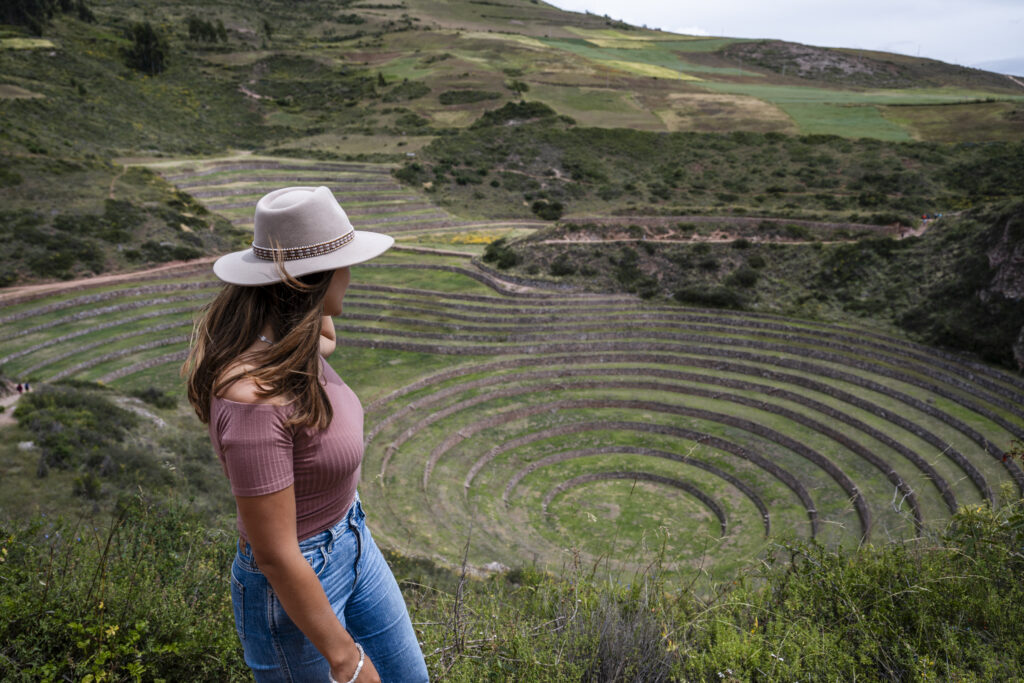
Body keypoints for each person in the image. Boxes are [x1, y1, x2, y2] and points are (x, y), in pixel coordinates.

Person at [184, 186, 429, 682]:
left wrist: (304, 291)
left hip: (354, 541)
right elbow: (274, 552)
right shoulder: (252, 398)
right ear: (308, 284)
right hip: (298, 577)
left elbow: (324, 328)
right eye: (344, 262)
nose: (352, 276)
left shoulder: (293, 343)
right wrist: (347, 658)